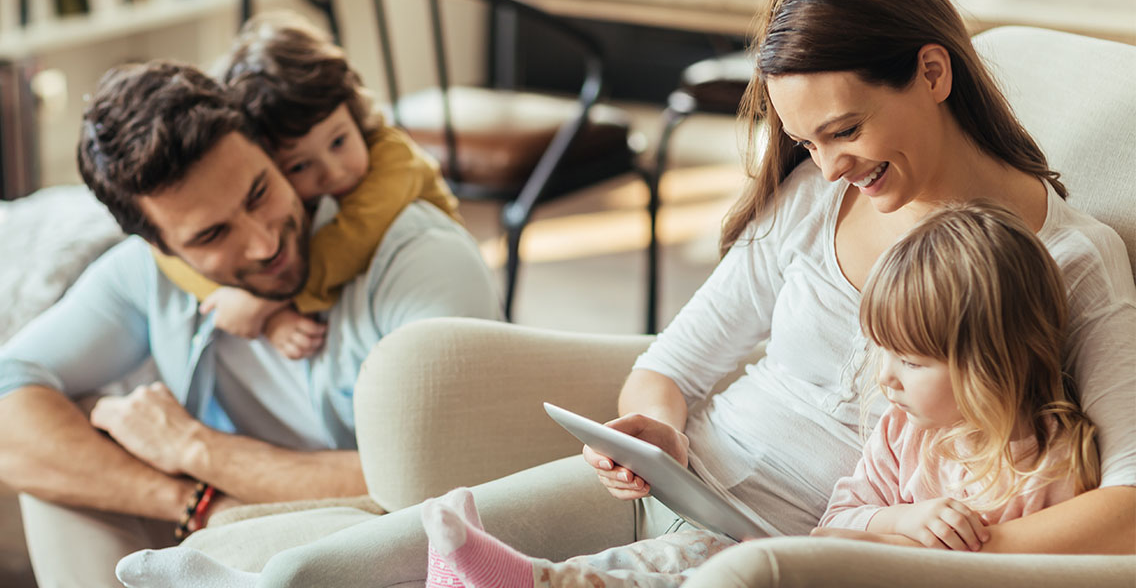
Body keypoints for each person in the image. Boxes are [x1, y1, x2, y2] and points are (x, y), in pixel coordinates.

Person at [115, 0, 1135, 585]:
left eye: (843, 133)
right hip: (688, 485)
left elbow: (1126, 499)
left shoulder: (1068, 258)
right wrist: (651, 429)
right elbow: (672, 364)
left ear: (930, 72)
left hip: (789, 550)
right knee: (321, 575)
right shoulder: (814, 204)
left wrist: (944, 549)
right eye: (802, 142)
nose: (826, 167)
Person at [0, 60, 501, 587]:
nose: (264, 242)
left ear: (268, 149)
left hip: (403, 543)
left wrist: (197, 449)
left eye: (259, 192)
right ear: (160, 246)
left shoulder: (418, 258)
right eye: (212, 235)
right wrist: (191, 500)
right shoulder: (147, 274)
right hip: (232, 518)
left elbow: (453, 480)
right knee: (60, 472)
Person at [414, 202, 1101, 587]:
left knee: (718, 566)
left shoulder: (1060, 467)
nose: (886, 379)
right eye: (884, 355)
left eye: (912, 361)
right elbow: (837, 524)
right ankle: (537, 582)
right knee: (694, 560)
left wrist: (943, 550)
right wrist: (898, 524)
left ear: (992, 362)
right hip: (806, 554)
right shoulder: (904, 433)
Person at [152, 13, 465, 360]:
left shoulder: (392, 157)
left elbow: (352, 239)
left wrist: (262, 304)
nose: (332, 173)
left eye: (339, 141)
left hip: (442, 288)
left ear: (354, 111)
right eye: (299, 165)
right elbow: (170, 256)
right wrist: (240, 303)